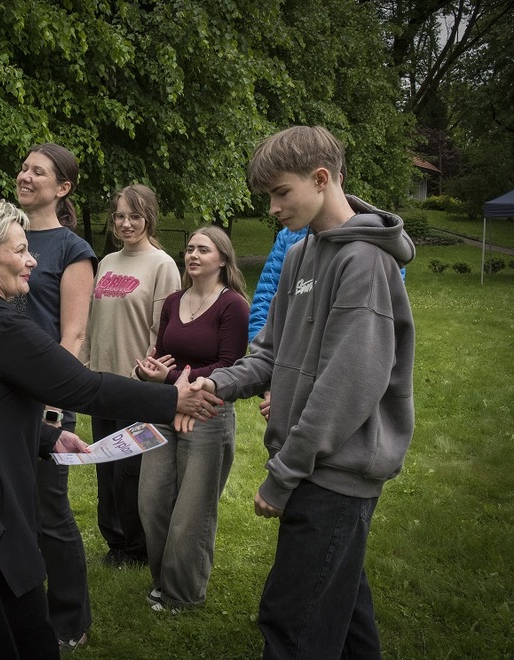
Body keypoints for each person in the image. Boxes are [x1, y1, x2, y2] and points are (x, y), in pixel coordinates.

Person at [0, 195, 222, 659]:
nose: (32, 260)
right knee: (14, 630)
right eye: (19, 251)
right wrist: (172, 396)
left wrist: (47, 436)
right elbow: (85, 388)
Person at [188, 125, 416, 658]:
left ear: (321, 178)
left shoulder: (366, 261)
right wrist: (214, 382)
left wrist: (284, 474)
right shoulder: (299, 256)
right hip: (312, 465)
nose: (271, 207)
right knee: (343, 614)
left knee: (293, 623)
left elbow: (348, 385)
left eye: (280, 192)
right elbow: (268, 353)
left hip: (334, 472)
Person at [135, 226, 249, 611]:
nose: (193, 255)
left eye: (204, 249)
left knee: (192, 510)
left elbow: (229, 365)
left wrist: (168, 377)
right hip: (164, 406)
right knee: (152, 500)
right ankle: (161, 580)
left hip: (207, 411)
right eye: (189, 249)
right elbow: (162, 352)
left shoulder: (232, 304)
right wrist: (148, 371)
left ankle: (183, 595)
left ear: (223, 258)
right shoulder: (172, 301)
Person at [13, 142, 97, 651]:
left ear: (62, 188)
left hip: (45, 394)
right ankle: (18, 601)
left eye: (37, 172)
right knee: (5, 502)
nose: (25, 176)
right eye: (23, 168)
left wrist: (51, 403)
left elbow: (73, 337)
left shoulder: (72, 249)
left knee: (49, 510)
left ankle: (69, 618)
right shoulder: (4, 236)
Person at [83, 184, 181, 568]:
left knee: (131, 472)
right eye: (119, 216)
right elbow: (92, 324)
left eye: (134, 216)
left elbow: (164, 331)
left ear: (149, 218)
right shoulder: (106, 262)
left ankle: (137, 548)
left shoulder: (162, 264)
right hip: (99, 383)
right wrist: (86, 369)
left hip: (135, 386)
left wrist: (146, 376)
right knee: (105, 468)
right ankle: (115, 542)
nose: (125, 223)